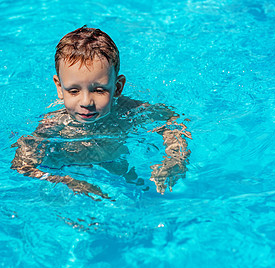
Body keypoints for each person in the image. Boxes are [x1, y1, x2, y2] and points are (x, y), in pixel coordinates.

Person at [11, 26, 191, 199]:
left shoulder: (129, 110)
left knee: (145, 195)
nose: (86, 102)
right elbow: (21, 165)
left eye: (99, 90)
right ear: (59, 87)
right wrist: (67, 181)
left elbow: (171, 119)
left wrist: (175, 157)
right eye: (73, 91)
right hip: (68, 167)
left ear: (117, 87)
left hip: (115, 163)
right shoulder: (54, 123)